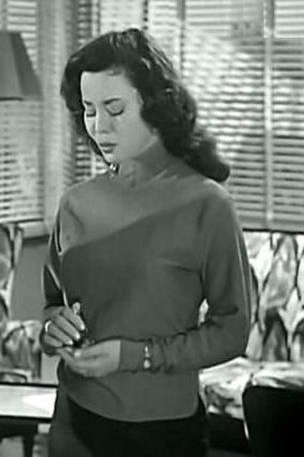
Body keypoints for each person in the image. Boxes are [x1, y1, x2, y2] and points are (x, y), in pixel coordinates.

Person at [41, 28, 252, 457]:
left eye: (115, 109)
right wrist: (52, 328)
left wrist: (134, 356)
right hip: (72, 420)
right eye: (88, 110)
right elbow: (52, 304)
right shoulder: (76, 203)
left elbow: (232, 330)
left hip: (160, 431)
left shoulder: (206, 205)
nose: (99, 126)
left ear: (155, 107)